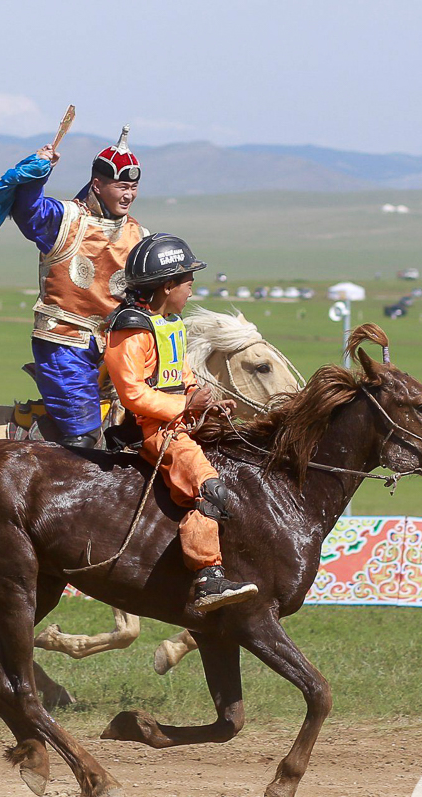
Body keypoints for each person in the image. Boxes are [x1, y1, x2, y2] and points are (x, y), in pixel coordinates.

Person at [103, 233, 259, 612]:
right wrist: (184, 405)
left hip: (179, 418)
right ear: (166, 284)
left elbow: (182, 375)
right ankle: (207, 578)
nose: (191, 287)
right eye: (187, 280)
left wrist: (208, 405)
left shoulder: (169, 321)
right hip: (152, 429)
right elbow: (133, 394)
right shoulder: (133, 327)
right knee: (212, 490)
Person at [10, 127, 148, 446]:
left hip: (115, 350)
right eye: (121, 186)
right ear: (98, 184)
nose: (128, 194)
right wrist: (37, 171)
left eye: (134, 187)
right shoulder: (64, 220)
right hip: (64, 344)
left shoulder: (138, 234)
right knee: (84, 439)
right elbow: (27, 212)